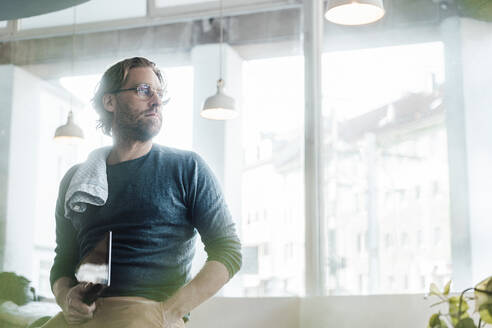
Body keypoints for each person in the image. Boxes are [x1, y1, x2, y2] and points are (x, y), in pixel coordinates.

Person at [43, 57, 242, 328]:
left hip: (151, 314)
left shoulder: (187, 168)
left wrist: (168, 313)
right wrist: (66, 297)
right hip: (85, 317)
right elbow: (63, 260)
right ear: (110, 102)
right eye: (144, 90)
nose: (156, 101)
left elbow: (228, 251)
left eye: (159, 94)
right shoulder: (76, 181)